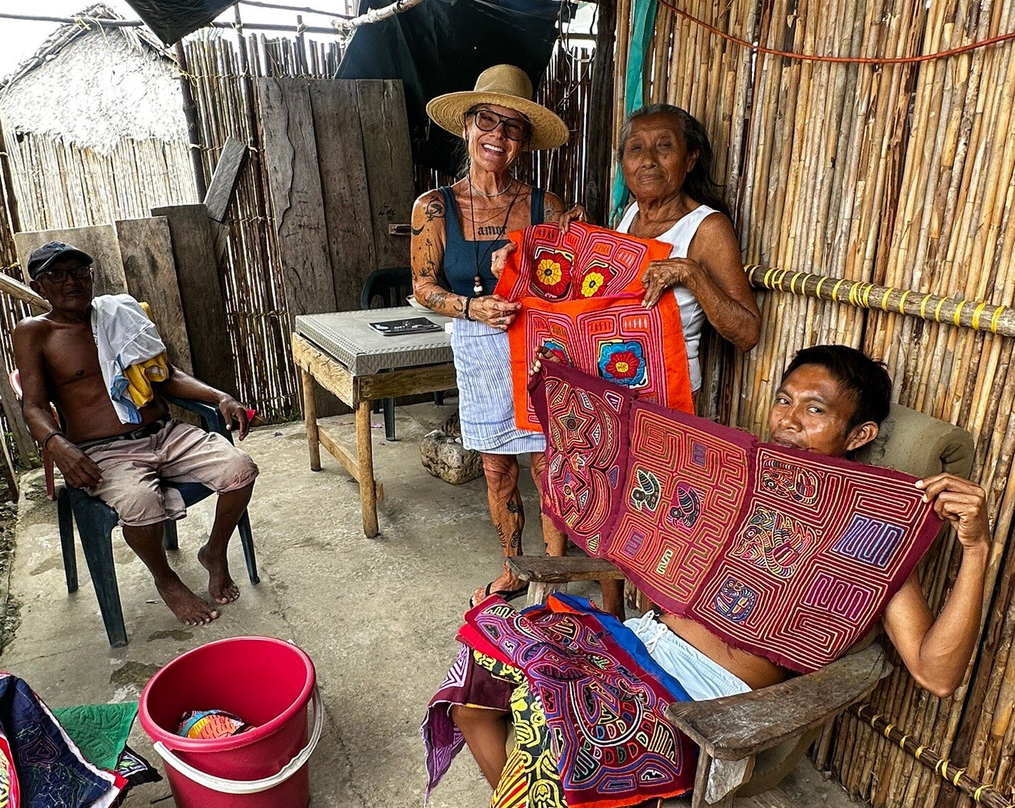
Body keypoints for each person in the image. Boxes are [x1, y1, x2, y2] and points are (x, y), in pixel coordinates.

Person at [427, 345, 989, 800]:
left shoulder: (874, 531)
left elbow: (937, 675)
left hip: (700, 698)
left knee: (553, 731)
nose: (788, 421)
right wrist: (560, 385)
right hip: (633, 642)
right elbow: (628, 467)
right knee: (476, 668)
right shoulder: (738, 474)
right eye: (784, 400)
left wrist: (976, 550)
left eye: (814, 410)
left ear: (859, 434)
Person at [493, 103, 762, 618]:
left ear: (691, 158)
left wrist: (690, 274)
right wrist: (567, 245)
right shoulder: (630, 218)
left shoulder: (706, 229)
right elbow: (597, 304)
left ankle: (661, 629)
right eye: (635, 149)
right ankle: (614, 621)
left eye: (664, 147)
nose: (648, 160)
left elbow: (746, 331)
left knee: (662, 528)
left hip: (668, 407)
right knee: (609, 518)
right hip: (607, 401)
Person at [13, 242, 259, 627]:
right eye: (56, 276)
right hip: (103, 452)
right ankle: (167, 580)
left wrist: (220, 396)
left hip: (164, 432)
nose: (71, 282)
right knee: (140, 502)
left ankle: (214, 551)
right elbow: (33, 406)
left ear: (92, 276)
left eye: (79, 271)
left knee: (240, 468)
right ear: (39, 287)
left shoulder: (121, 314)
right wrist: (57, 444)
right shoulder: (36, 333)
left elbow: (168, 375)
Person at [412, 65, 583, 606]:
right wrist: (469, 306)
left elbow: (574, 287)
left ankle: (552, 578)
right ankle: (512, 568)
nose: (499, 137)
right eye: (488, 121)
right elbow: (422, 285)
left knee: (548, 464)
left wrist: (548, 253)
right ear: (466, 125)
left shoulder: (546, 207)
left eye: (513, 128)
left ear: (525, 142)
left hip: (538, 351)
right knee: (497, 468)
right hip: (478, 350)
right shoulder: (434, 207)